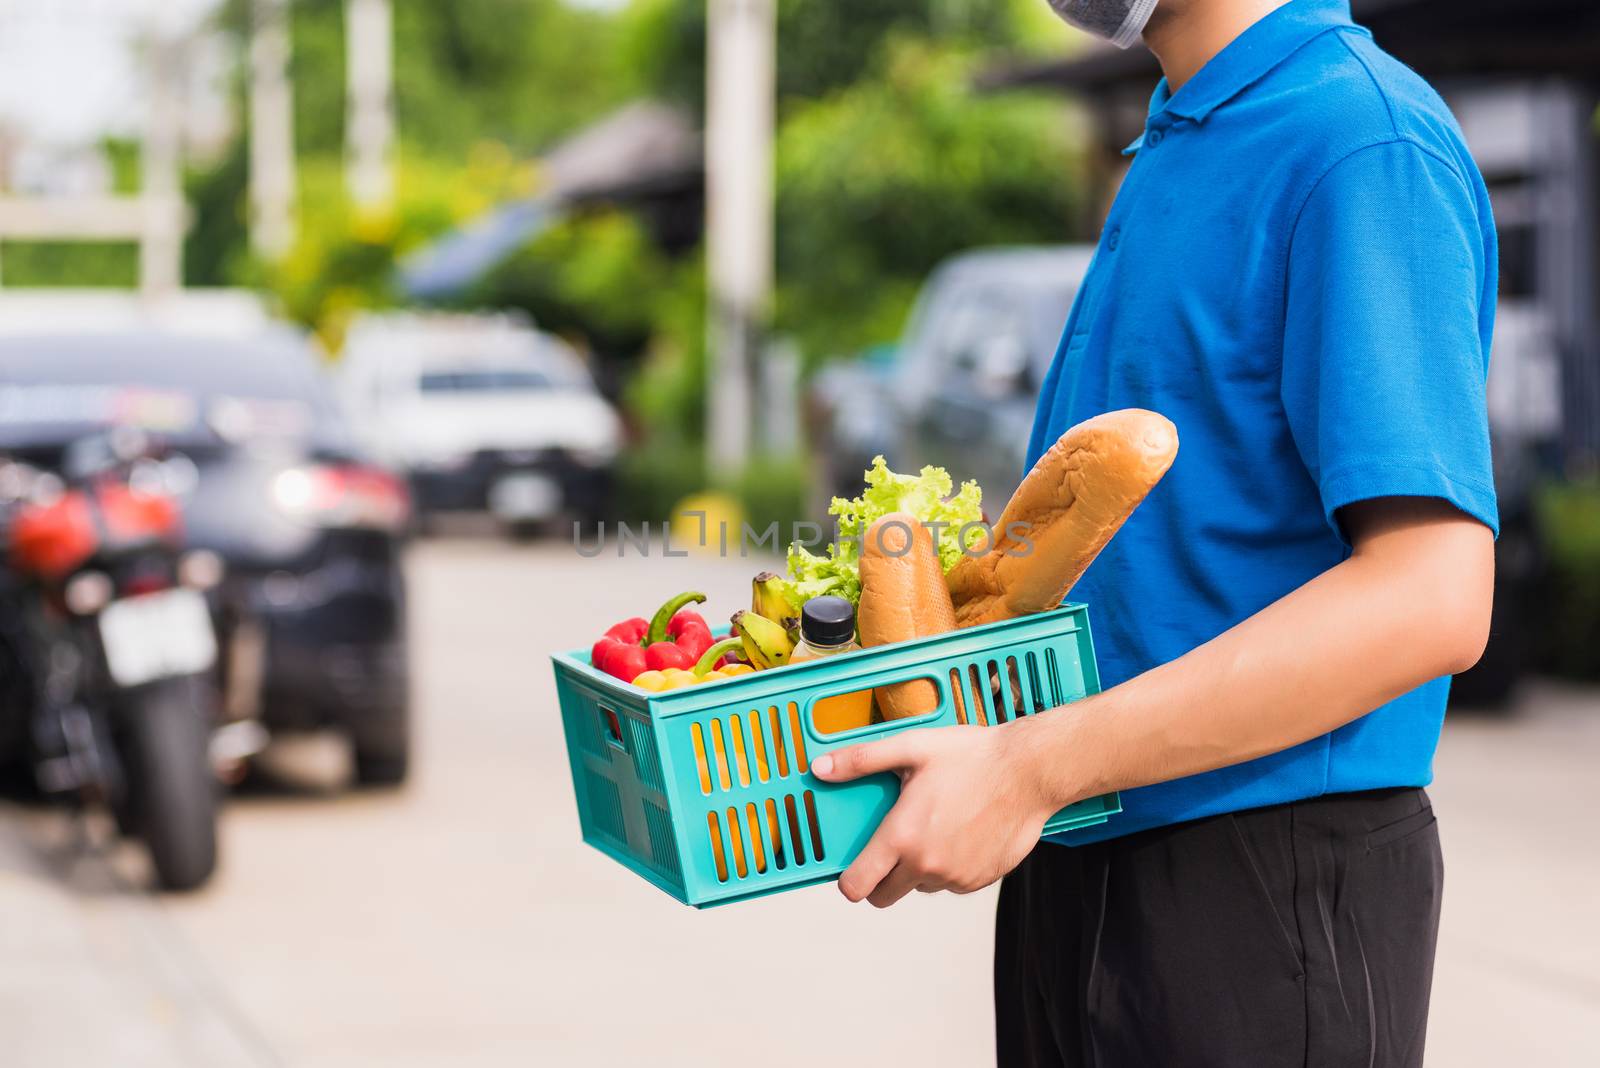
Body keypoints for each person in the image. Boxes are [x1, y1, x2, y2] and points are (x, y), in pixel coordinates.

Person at [809, 1, 1498, 1064]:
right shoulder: (1185, 131)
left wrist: (1029, 769)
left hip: (1264, 881)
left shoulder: (1360, 142)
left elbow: (1431, 597)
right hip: (1084, 847)